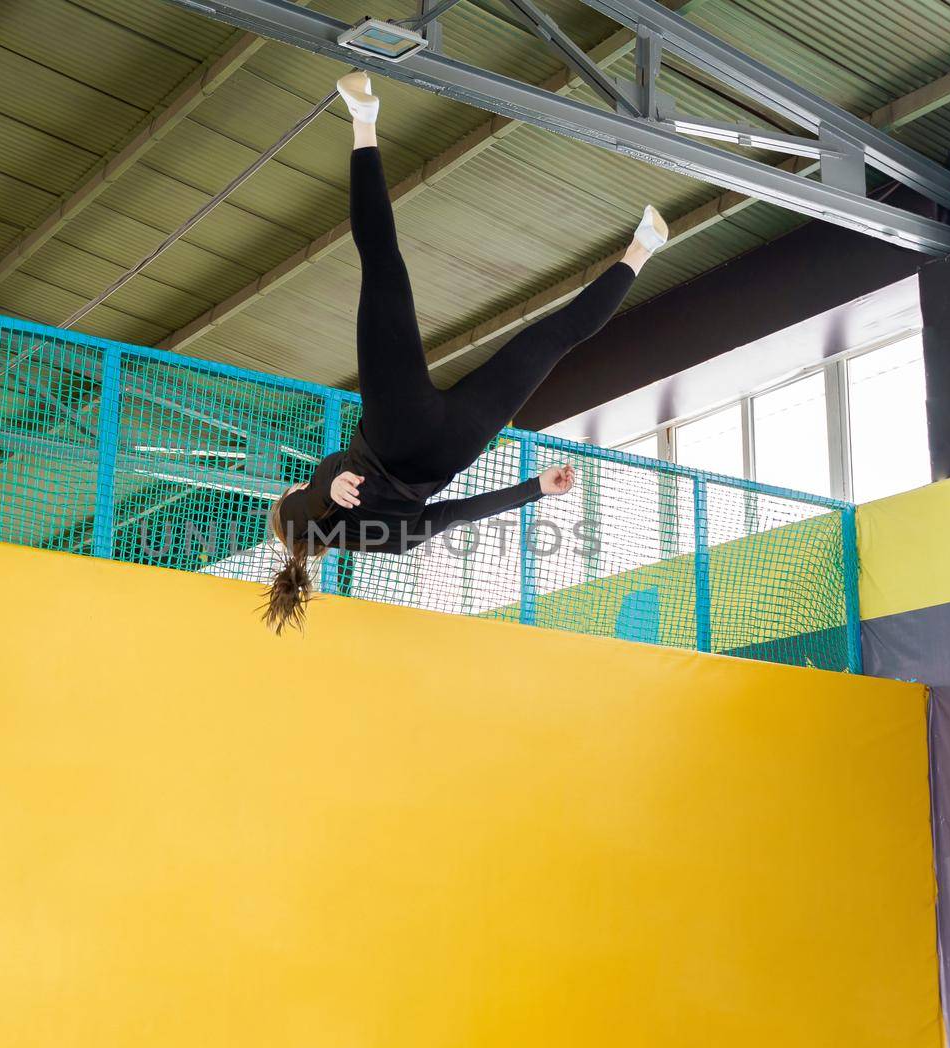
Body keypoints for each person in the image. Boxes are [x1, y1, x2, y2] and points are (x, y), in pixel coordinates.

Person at [263, 72, 668, 634]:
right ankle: (363, 119)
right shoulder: (304, 512)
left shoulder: (381, 541)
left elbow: (456, 514)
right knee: (382, 267)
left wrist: (535, 489)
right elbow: (304, 510)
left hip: (453, 448)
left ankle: (643, 248)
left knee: (552, 341)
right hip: (396, 428)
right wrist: (325, 489)